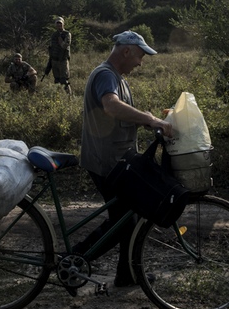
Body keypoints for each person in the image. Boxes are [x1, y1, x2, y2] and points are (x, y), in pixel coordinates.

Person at [72, 30, 173, 289]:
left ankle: (126, 274)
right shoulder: (106, 75)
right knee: (124, 220)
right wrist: (150, 119)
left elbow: (122, 114)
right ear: (126, 51)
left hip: (116, 158)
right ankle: (75, 260)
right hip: (107, 162)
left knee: (130, 217)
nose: (141, 62)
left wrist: (148, 118)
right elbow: (111, 106)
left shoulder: (118, 77)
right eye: (140, 55)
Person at [49, 16, 72, 96]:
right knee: (57, 80)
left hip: (63, 60)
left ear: (63, 24)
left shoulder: (67, 34)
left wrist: (61, 42)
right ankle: (58, 96)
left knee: (64, 80)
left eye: (60, 24)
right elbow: (52, 47)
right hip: (55, 60)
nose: (59, 25)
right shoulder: (54, 35)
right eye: (57, 24)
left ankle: (69, 97)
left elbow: (66, 45)